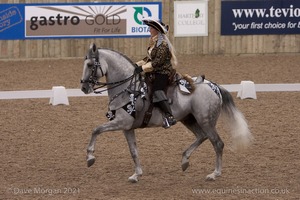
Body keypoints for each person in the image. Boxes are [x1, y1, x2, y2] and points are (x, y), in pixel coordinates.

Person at [134, 18, 177, 128]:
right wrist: (136, 65)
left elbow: (157, 62)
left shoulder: (162, 44)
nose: (149, 29)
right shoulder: (154, 42)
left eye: (151, 28)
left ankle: (169, 116)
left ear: (157, 30)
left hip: (163, 71)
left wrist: (142, 68)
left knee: (157, 91)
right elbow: (148, 58)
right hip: (155, 70)